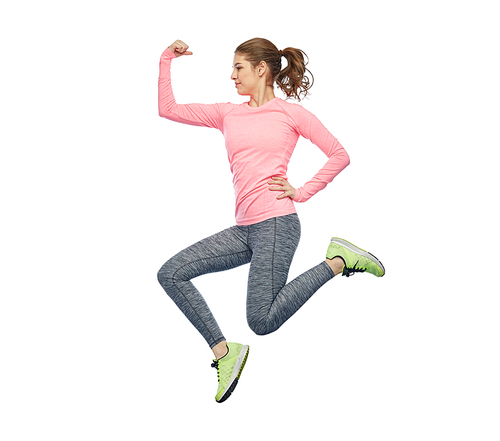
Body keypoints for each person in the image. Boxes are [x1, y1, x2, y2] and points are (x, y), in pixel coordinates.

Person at [157, 38, 385, 403]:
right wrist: (167, 58)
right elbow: (167, 108)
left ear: (261, 69)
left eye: (239, 68)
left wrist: (302, 191)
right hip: (246, 229)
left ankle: (339, 261)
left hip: (278, 224)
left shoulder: (290, 115)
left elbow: (339, 154)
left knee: (261, 321)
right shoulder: (226, 113)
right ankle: (224, 352)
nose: (232, 75)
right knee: (171, 273)